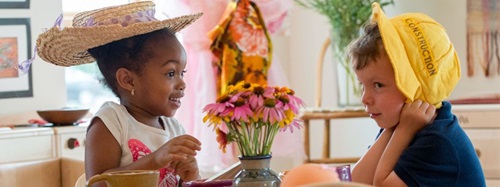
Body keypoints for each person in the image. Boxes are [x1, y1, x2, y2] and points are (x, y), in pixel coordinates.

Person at [35, 1, 203, 187]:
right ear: (128, 80)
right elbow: (98, 183)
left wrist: (190, 177)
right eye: (171, 73)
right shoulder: (112, 122)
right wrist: (155, 161)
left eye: (182, 73)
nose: (182, 83)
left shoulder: (174, 129)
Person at [348, 3, 485, 187]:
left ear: (415, 87)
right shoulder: (399, 122)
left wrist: (403, 131)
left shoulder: (438, 140)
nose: (365, 98)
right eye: (362, 85)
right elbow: (356, 182)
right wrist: (396, 131)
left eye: (378, 85)